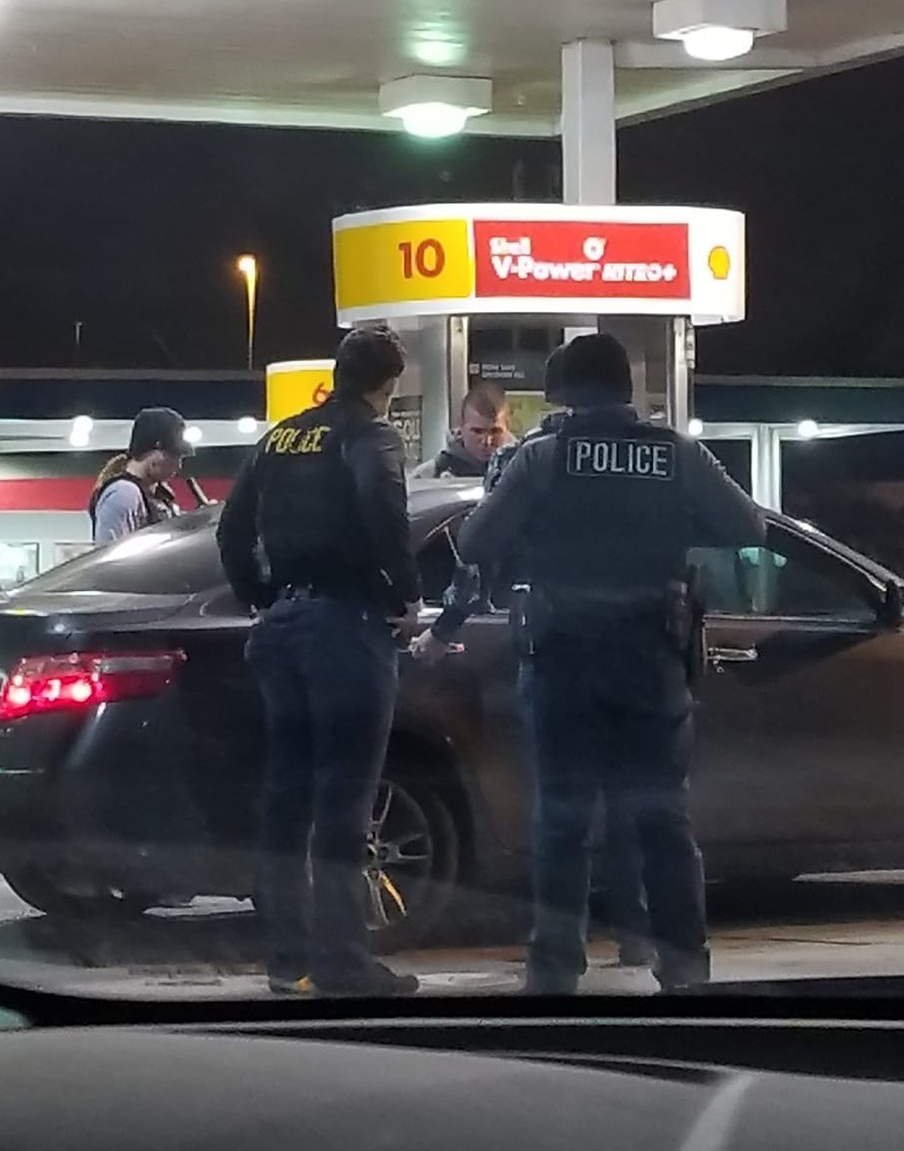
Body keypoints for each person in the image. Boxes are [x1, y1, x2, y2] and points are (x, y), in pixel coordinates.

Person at [456, 333, 763, 995]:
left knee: (563, 819)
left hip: (563, 658)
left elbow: (476, 539)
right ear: (627, 389)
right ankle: (684, 965)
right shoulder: (675, 453)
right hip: (649, 657)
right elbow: (749, 528)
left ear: (564, 394)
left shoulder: (543, 457)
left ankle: (555, 970)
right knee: (662, 816)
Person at [412, 344, 653, 968]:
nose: (489, 440)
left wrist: (446, 631)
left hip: (558, 645)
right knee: (635, 800)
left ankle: (560, 946)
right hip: (641, 649)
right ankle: (643, 934)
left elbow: (477, 555)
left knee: (563, 803)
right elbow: (736, 529)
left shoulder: (529, 462)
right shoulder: (659, 454)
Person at [217, 327, 423, 998]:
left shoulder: (281, 436)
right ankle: (341, 962)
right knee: (343, 803)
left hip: (281, 628)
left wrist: (260, 596)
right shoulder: (370, 436)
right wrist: (404, 596)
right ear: (387, 385)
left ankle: (286, 957)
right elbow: (384, 510)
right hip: (346, 627)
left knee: (287, 800)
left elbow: (231, 527)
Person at [89, 407, 191, 548]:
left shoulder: (160, 496)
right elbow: (109, 560)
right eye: (174, 455)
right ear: (155, 451)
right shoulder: (124, 494)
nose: (178, 466)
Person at [411, 382, 510, 479]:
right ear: (461, 426)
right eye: (477, 431)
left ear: (507, 427)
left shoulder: (522, 470)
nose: (487, 442)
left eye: (495, 431)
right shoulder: (429, 474)